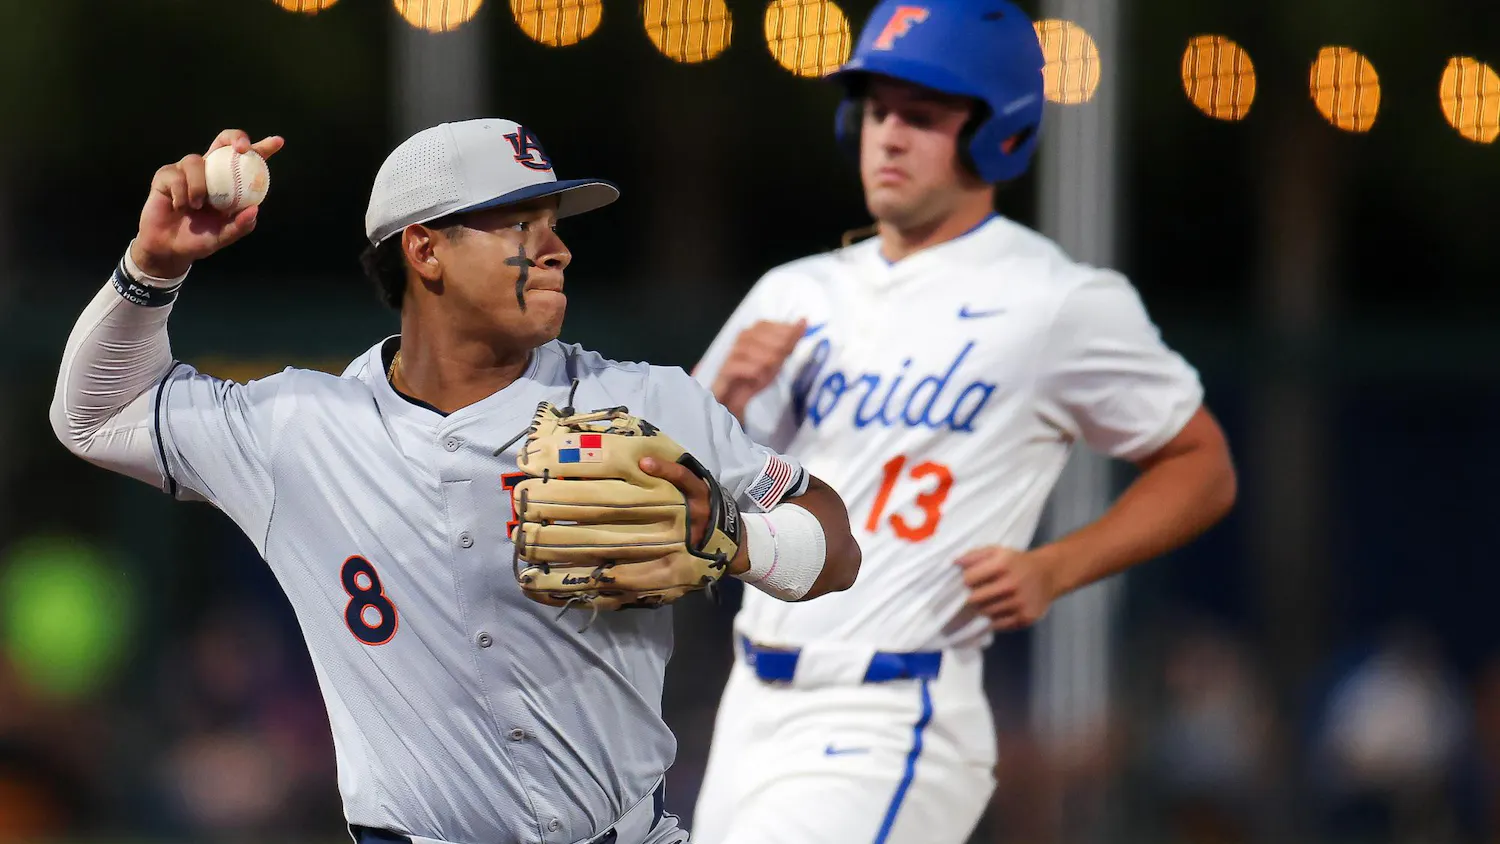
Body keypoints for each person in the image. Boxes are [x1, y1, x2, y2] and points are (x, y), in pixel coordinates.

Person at [49, 118, 861, 844]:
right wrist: (151, 266)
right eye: (517, 222)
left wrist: (738, 541)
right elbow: (94, 416)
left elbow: (836, 544)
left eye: (553, 224)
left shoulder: (643, 400)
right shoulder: (299, 428)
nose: (556, 247)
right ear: (425, 249)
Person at [687, 1, 1238, 841]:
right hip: (751, 700)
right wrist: (721, 395)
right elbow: (677, 482)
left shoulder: (1056, 301)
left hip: (892, 712)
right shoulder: (792, 293)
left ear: (998, 133)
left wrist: (1059, 566)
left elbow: (1203, 464)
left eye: (924, 115)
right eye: (876, 110)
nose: (889, 135)